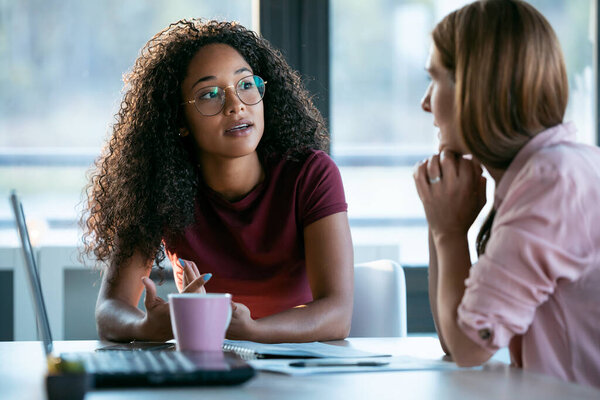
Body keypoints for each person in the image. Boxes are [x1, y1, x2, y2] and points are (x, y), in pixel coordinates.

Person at [82, 19, 354, 344]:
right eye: (209, 94)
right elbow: (110, 309)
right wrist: (146, 327)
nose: (236, 104)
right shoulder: (159, 186)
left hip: (303, 372)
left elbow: (338, 315)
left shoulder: (311, 174)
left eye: (246, 84)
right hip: (209, 371)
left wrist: (253, 331)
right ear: (178, 120)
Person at [413, 0, 600, 387]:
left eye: (436, 79)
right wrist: (442, 224)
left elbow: (468, 347)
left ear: (478, 87)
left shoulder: (551, 184)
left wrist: (449, 234)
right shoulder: (556, 169)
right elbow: (456, 339)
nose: (426, 102)